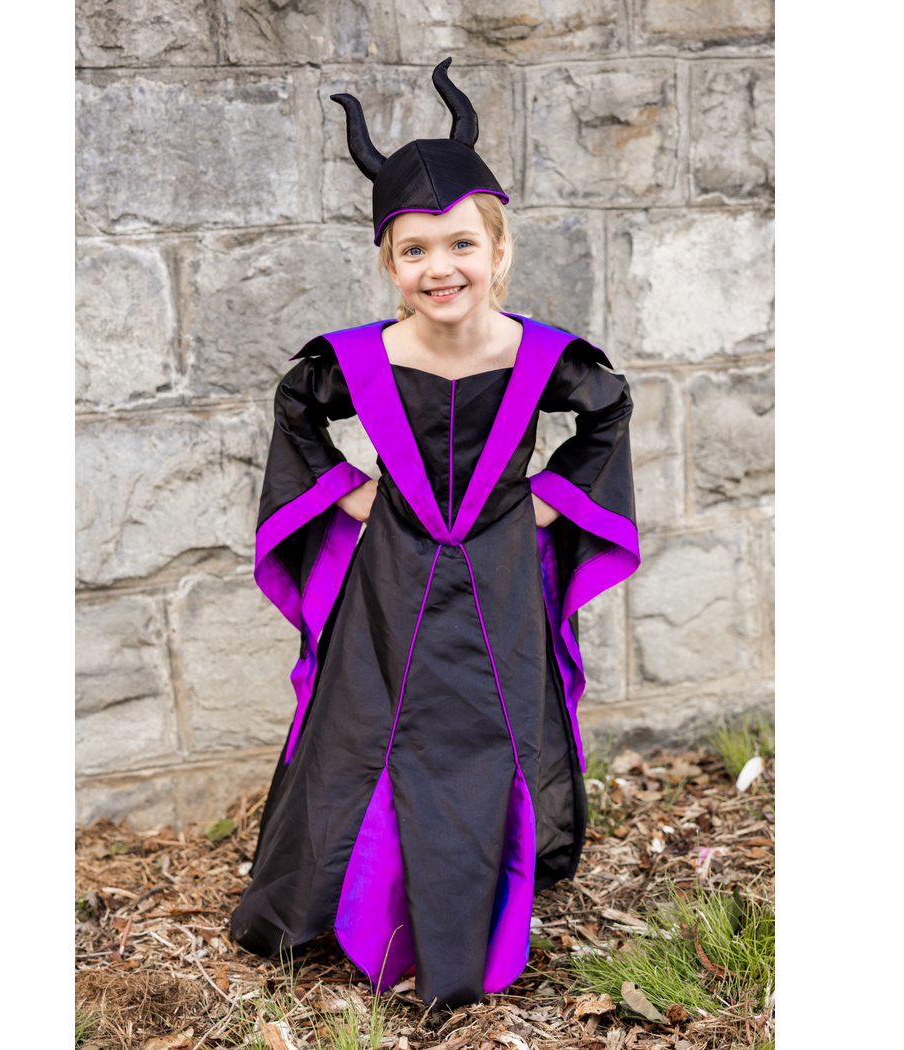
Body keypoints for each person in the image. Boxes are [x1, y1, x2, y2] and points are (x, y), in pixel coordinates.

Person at [230, 59, 640, 1011]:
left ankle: (470, 904)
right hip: (391, 573)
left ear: (497, 252)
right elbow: (299, 411)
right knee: (358, 717)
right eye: (412, 251)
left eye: (460, 243)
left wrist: (545, 503)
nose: (438, 267)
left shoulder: (543, 357)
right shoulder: (360, 359)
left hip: (496, 573)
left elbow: (607, 412)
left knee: (487, 718)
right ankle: (319, 903)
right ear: (389, 266)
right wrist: (348, 495)